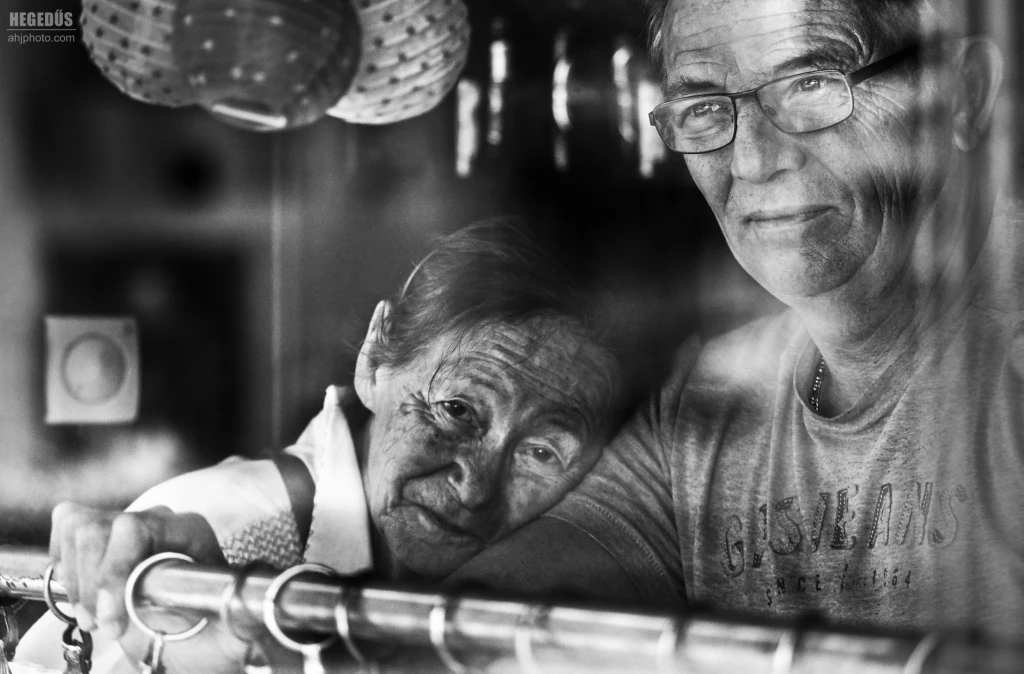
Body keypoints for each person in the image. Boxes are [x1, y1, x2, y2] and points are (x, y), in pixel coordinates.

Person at [454, 0, 1024, 642]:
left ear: (964, 94)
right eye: (703, 107)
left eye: (811, 84)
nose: (752, 160)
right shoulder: (710, 399)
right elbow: (476, 626)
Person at [19, 217, 637, 673]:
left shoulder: (554, 584)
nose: (476, 488)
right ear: (375, 360)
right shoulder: (213, 541)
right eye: (455, 411)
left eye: (541, 453)